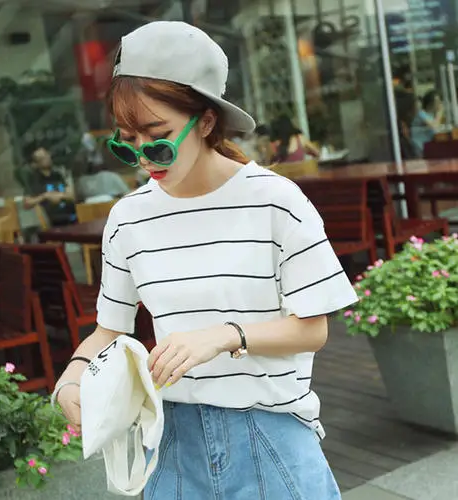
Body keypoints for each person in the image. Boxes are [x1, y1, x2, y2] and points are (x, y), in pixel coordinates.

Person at [54, 21, 357, 499]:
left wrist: (224, 336)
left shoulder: (276, 201)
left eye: (158, 139)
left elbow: (312, 329)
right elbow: (110, 331)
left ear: (207, 122)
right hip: (172, 441)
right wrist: (72, 379)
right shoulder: (128, 218)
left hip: (271, 432)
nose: (144, 159)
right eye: (126, 143)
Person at [23, 146, 77, 226]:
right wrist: (45, 196)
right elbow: (27, 203)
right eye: (42, 158)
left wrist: (61, 196)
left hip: (72, 216)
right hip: (55, 222)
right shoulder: (34, 180)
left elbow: (72, 195)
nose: (47, 159)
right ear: (35, 164)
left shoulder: (58, 175)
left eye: (47, 155)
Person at [411, 90, 445, 157]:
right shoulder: (421, 114)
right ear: (430, 103)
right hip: (420, 147)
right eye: (437, 102)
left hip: (429, 145)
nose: (440, 104)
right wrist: (439, 113)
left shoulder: (431, 115)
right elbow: (435, 127)